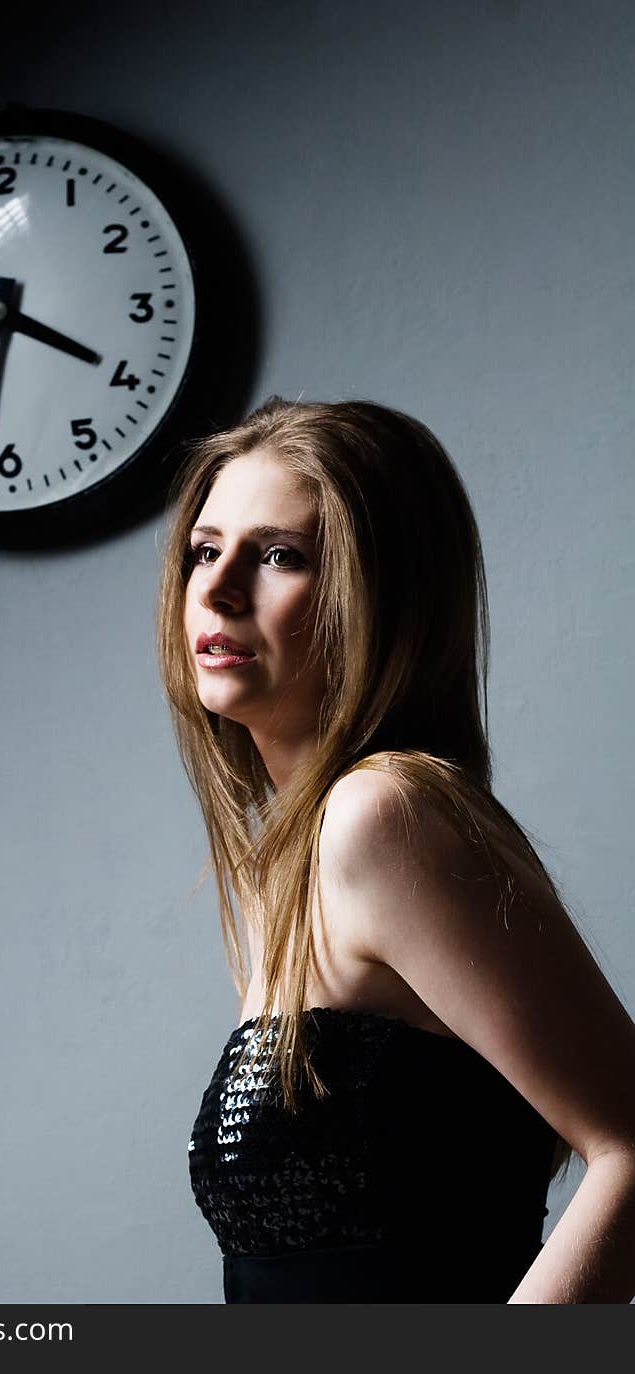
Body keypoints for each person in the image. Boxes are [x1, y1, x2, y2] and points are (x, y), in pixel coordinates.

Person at [155, 395, 635, 1303]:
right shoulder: (283, 877)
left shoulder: (383, 816)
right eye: (205, 551)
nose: (217, 590)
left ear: (381, 596)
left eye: (280, 555)